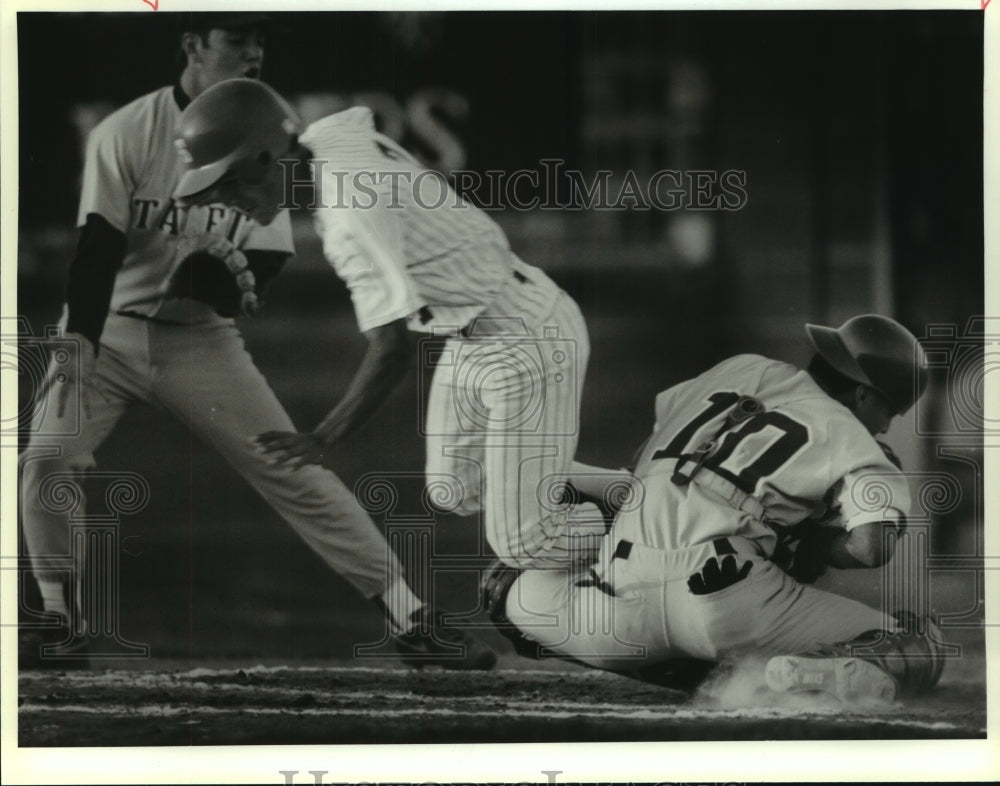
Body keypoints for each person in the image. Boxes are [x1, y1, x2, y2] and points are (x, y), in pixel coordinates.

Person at [20, 15, 495, 671]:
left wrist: (220, 282)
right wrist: (79, 347)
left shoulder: (260, 130)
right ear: (192, 46)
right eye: (236, 40)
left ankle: (411, 616)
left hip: (199, 339)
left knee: (289, 463)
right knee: (46, 455)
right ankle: (57, 616)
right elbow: (97, 250)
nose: (253, 53)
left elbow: (261, 266)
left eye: (260, 41)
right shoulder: (127, 130)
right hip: (108, 324)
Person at [172, 78, 604, 572]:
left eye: (228, 182)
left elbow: (392, 348)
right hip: (475, 329)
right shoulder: (325, 142)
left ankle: (652, 532)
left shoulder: (349, 214)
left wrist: (322, 438)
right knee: (454, 488)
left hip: (526, 337)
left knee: (529, 544)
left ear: (266, 159)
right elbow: (346, 124)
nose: (226, 201)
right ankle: (625, 492)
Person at [486, 314, 946, 702]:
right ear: (864, 394)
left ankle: (705, 677)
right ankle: (769, 679)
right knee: (917, 644)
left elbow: (658, 444)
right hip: (727, 600)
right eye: (890, 411)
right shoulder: (857, 436)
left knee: (504, 585)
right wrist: (813, 542)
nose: (887, 425)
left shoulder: (740, 368)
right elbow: (871, 547)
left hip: (611, 613)